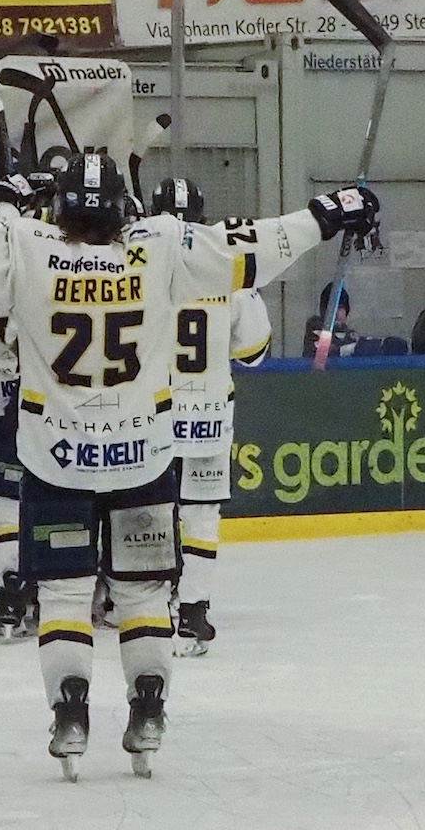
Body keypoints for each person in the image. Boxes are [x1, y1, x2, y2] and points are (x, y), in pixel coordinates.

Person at [0, 153, 376, 778]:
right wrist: (327, 215)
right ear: (122, 210)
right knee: (142, 593)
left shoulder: (24, 247)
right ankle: (149, 708)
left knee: (65, 594)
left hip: (55, 462)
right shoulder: (163, 245)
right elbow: (253, 247)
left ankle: (71, 714)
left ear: (59, 209)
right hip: (141, 457)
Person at [149, 177, 271, 657]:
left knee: (152, 511)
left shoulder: (137, 269)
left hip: (152, 415)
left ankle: (147, 605)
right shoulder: (228, 269)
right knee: (201, 516)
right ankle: (192, 612)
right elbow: (255, 350)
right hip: (208, 417)